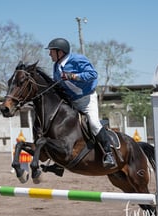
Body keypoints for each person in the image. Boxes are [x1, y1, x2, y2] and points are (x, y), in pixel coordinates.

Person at [45, 38, 116, 168]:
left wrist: (73, 76)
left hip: (86, 99)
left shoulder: (77, 59)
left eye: (51, 51)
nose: (49, 54)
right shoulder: (56, 66)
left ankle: (108, 154)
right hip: (71, 101)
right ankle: (59, 162)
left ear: (60, 52)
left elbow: (92, 74)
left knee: (94, 123)